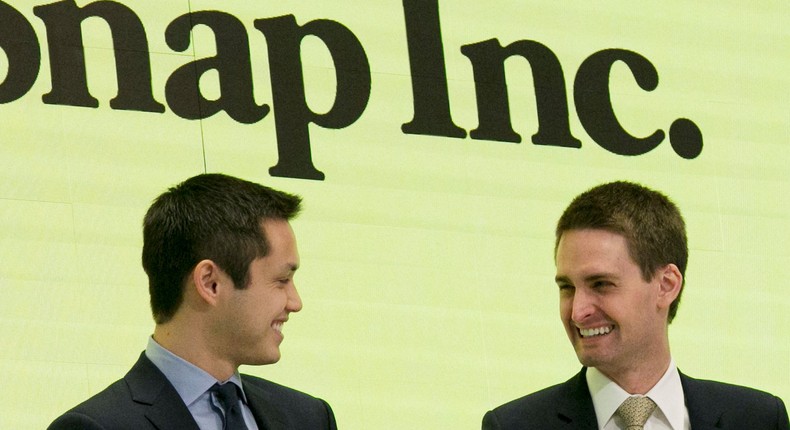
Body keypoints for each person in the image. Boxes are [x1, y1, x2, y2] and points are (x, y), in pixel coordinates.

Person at [482, 181, 789, 430]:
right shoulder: (514, 425)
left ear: (666, 285)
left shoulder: (757, 419)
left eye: (601, 284)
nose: (577, 312)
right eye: (567, 288)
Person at [49, 173, 336, 430]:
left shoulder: (308, 417)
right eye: (282, 280)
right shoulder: (96, 426)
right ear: (210, 283)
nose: (295, 302)